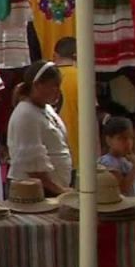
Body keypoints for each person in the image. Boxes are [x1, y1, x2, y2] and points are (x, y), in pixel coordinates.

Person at [7, 61, 72, 197]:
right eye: (53, 86)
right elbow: (32, 167)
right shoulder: (26, 114)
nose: (57, 91)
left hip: (55, 189)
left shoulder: (46, 109)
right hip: (37, 192)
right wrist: (58, 190)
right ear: (37, 85)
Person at [52, 37, 82, 169]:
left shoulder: (45, 79)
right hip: (79, 152)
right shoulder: (83, 77)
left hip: (51, 154)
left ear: (55, 56)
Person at [99, 116, 135, 195]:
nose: (128, 142)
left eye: (131, 137)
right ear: (109, 140)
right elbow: (122, 189)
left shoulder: (127, 160)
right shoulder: (108, 163)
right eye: (122, 138)